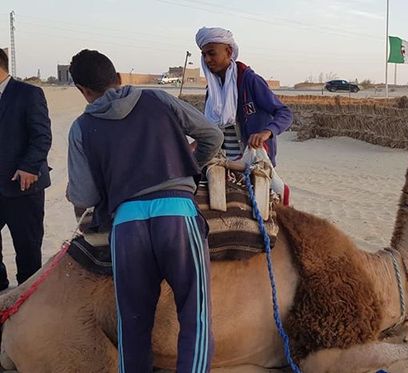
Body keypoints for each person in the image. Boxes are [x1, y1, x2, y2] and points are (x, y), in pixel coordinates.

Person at [66, 49, 223, 372]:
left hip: (127, 227)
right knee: (195, 316)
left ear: (83, 91)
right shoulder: (157, 100)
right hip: (178, 218)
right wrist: (188, 164)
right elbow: (212, 135)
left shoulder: (81, 128)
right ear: (120, 79)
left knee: (133, 326)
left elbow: (84, 195)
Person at [195, 27, 292, 164]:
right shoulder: (213, 90)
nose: (207, 59)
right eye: (204, 55)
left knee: (277, 186)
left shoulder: (250, 81)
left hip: (253, 159)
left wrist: (266, 132)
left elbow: (284, 112)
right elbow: (213, 128)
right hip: (223, 160)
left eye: (211, 53)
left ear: (228, 52)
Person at [0, 48, 52, 290]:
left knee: (28, 249)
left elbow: (41, 136)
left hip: (22, 186)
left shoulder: (28, 94)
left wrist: (29, 167)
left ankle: (27, 301)